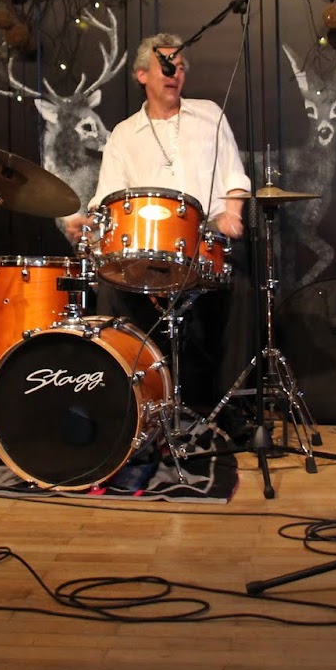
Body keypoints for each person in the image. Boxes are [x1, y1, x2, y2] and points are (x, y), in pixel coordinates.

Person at [63, 34, 252, 413]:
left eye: (180, 67)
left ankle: (230, 409)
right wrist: (89, 225)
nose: (174, 74)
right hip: (145, 248)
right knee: (110, 289)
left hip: (206, 239)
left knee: (243, 292)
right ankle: (130, 404)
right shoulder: (123, 133)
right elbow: (108, 199)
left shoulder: (209, 114)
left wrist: (232, 213)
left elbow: (235, 177)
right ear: (142, 75)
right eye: (166, 67)